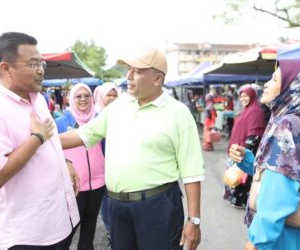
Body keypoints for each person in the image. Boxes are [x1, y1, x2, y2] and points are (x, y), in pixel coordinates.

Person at [60, 47, 204, 250]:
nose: (128, 76)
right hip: (118, 207)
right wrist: (40, 140)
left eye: (136, 71)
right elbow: (83, 135)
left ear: (157, 78)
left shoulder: (178, 113)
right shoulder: (118, 107)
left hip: (158, 207)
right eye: (128, 69)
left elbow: (192, 173)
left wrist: (194, 220)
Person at [0, 32, 80, 250]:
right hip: (28, 235)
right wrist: (36, 138)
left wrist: (65, 162)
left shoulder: (37, 100)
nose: (40, 70)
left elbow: (51, 142)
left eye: (42, 63)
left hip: (57, 220)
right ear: (6, 68)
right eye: (33, 64)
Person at [229, 59, 300, 250]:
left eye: (274, 79)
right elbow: (291, 173)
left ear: (292, 87)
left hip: (284, 237)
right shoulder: (299, 120)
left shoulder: (287, 125)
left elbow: (278, 192)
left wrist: (256, 241)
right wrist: (249, 160)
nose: (266, 83)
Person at [55, 83, 105, 250]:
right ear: (71, 98)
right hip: (74, 184)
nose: (83, 99)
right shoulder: (61, 122)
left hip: (98, 183)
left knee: (90, 227)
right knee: (68, 230)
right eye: (78, 96)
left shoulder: (99, 119)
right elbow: (52, 151)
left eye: (87, 96)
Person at [223, 87, 266, 208]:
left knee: (242, 178)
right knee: (235, 177)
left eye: (246, 96)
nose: (243, 98)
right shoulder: (246, 110)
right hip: (237, 150)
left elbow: (254, 134)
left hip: (243, 152)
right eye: (241, 96)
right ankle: (237, 198)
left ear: (252, 96)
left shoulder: (255, 112)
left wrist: (245, 153)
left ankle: (240, 200)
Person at [92, 81, 119, 241]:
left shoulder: (122, 114)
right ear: (101, 96)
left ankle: (117, 228)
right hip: (102, 164)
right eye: (109, 94)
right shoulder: (97, 116)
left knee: (116, 197)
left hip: (118, 163)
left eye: (115, 95)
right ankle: (110, 230)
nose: (112, 98)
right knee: (106, 199)